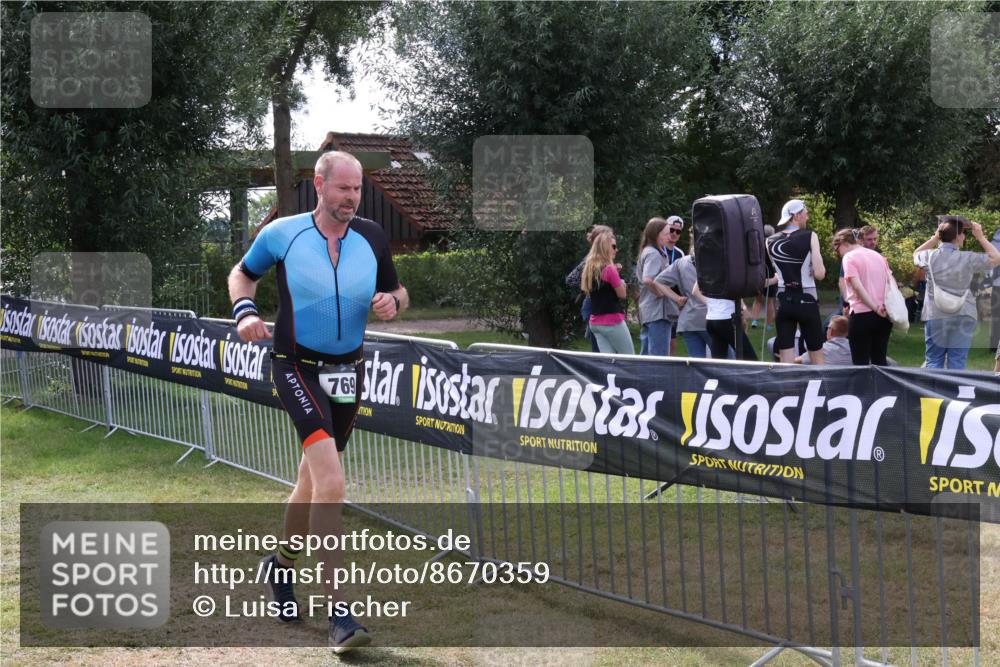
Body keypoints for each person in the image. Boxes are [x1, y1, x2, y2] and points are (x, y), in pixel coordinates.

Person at [228, 151, 408, 653]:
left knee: (310, 482)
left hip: (348, 371)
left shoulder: (372, 236)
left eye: (357, 189)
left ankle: (280, 565)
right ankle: (340, 614)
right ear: (320, 185)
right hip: (296, 367)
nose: (352, 198)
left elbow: (398, 291)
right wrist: (245, 311)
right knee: (331, 482)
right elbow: (242, 274)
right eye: (343, 188)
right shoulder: (283, 234)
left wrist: (393, 302)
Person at [913, 216, 1000, 369]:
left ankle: (932, 385)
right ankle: (953, 386)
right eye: (963, 233)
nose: (964, 237)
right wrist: (980, 237)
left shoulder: (929, 256)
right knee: (957, 361)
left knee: (933, 360)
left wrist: (934, 238)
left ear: (940, 235)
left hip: (935, 313)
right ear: (958, 237)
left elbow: (916, 253)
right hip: (964, 313)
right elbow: (996, 258)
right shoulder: (968, 258)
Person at [766, 199, 827, 364]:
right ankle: (819, 382)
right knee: (817, 358)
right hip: (807, 301)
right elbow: (820, 274)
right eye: (805, 214)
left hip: (784, 302)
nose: (807, 217)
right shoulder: (810, 236)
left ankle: (788, 382)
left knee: (786, 360)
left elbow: (779, 272)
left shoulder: (769, 240)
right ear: (796, 215)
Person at [833, 228, 893, 365]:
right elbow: (889, 283)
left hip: (862, 314)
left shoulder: (849, 257)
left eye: (837, 249)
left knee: (860, 363)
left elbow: (857, 286)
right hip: (884, 315)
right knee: (880, 361)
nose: (838, 254)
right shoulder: (878, 256)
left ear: (844, 243)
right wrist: (882, 306)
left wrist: (875, 307)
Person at [637, 218, 685, 355]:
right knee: (659, 356)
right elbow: (647, 280)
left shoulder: (649, 251)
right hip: (658, 313)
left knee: (646, 356)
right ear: (656, 234)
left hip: (649, 311)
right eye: (666, 233)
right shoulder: (653, 254)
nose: (670, 236)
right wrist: (660, 292)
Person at [582, 232, 633, 354]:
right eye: (614, 246)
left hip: (595, 323)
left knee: (609, 361)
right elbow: (622, 294)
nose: (616, 250)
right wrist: (621, 282)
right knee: (630, 358)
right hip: (612, 321)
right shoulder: (609, 269)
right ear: (605, 248)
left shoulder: (589, 269)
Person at [566, 225, 614, 352]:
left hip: (600, 307)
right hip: (592, 307)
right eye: (609, 238)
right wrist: (591, 288)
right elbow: (571, 279)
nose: (613, 241)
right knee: (599, 349)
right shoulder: (591, 259)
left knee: (605, 348)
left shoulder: (604, 258)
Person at [693, 283, 757, 361]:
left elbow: (695, 291)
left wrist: (712, 304)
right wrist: (744, 308)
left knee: (719, 361)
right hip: (727, 318)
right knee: (751, 360)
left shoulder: (705, 273)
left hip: (712, 319)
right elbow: (736, 290)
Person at [749, 224, 777, 330]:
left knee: (758, 299)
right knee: (769, 301)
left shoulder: (757, 244)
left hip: (758, 273)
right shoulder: (772, 244)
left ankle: (754, 321)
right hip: (771, 274)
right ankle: (769, 325)